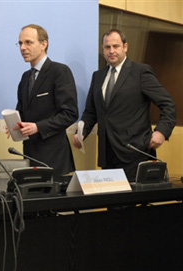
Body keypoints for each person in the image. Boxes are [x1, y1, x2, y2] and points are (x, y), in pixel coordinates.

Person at [73, 28, 176, 182]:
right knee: (112, 203)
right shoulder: (98, 76)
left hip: (135, 153)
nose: (111, 51)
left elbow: (168, 104)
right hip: (107, 155)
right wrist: (81, 132)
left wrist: (161, 132)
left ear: (125, 47)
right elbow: (91, 112)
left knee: (133, 205)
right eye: (107, 47)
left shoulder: (140, 72)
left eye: (116, 46)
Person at [10, 24, 78, 176]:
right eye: (20, 43)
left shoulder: (60, 72)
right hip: (29, 155)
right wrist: (14, 124)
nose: (22, 48)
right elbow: (22, 111)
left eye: (28, 42)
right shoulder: (25, 77)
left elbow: (69, 113)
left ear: (43, 44)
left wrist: (38, 127)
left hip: (54, 158)